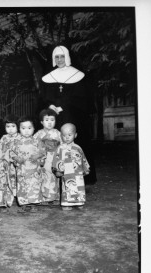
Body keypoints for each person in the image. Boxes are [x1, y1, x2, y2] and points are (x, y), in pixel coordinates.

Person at [41, 45, 96, 184]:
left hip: (73, 116)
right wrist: (50, 105)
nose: (59, 59)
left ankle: (78, 178)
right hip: (55, 119)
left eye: (62, 56)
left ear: (68, 57)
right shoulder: (49, 77)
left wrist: (63, 106)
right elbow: (44, 97)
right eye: (57, 57)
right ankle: (55, 178)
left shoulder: (78, 75)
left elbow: (81, 98)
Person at [8, 116, 45, 213]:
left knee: (34, 185)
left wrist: (38, 156)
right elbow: (11, 153)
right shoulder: (16, 142)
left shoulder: (37, 141)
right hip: (22, 169)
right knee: (22, 186)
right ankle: (24, 203)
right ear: (19, 129)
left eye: (29, 128)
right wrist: (16, 158)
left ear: (33, 128)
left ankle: (33, 203)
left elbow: (43, 152)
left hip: (34, 170)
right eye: (23, 128)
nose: (26, 131)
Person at [52, 123, 90, 210]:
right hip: (66, 172)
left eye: (70, 135)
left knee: (79, 186)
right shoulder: (60, 148)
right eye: (64, 135)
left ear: (75, 135)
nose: (67, 137)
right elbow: (56, 159)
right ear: (61, 136)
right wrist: (56, 170)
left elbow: (83, 158)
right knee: (67, 187)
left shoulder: (78, 148)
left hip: (77, 172)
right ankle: (67, 204)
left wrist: (86, 168)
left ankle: (79, 202)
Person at [33, 109, 62, 206]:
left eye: (52, 120)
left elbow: (62, 145)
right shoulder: (38, 134)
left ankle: (54, 197)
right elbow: (33, 145)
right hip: (43, 158)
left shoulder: (58, 133)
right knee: (44, 176)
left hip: (54, 157)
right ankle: (44, 197)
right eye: (47, 120)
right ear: (41, 122)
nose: (49, 122)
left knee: (54, 176)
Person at [0, 114, 20, 208]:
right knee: (8, 180)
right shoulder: (4, 138)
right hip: (7, 164)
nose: (10, 129)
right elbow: (0, 149)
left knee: (18, 179)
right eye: (8, 126)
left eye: (13, 126)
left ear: (18, 127)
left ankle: (19, 197)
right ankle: (9, 198)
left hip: (17, 164)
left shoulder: (20, 137)